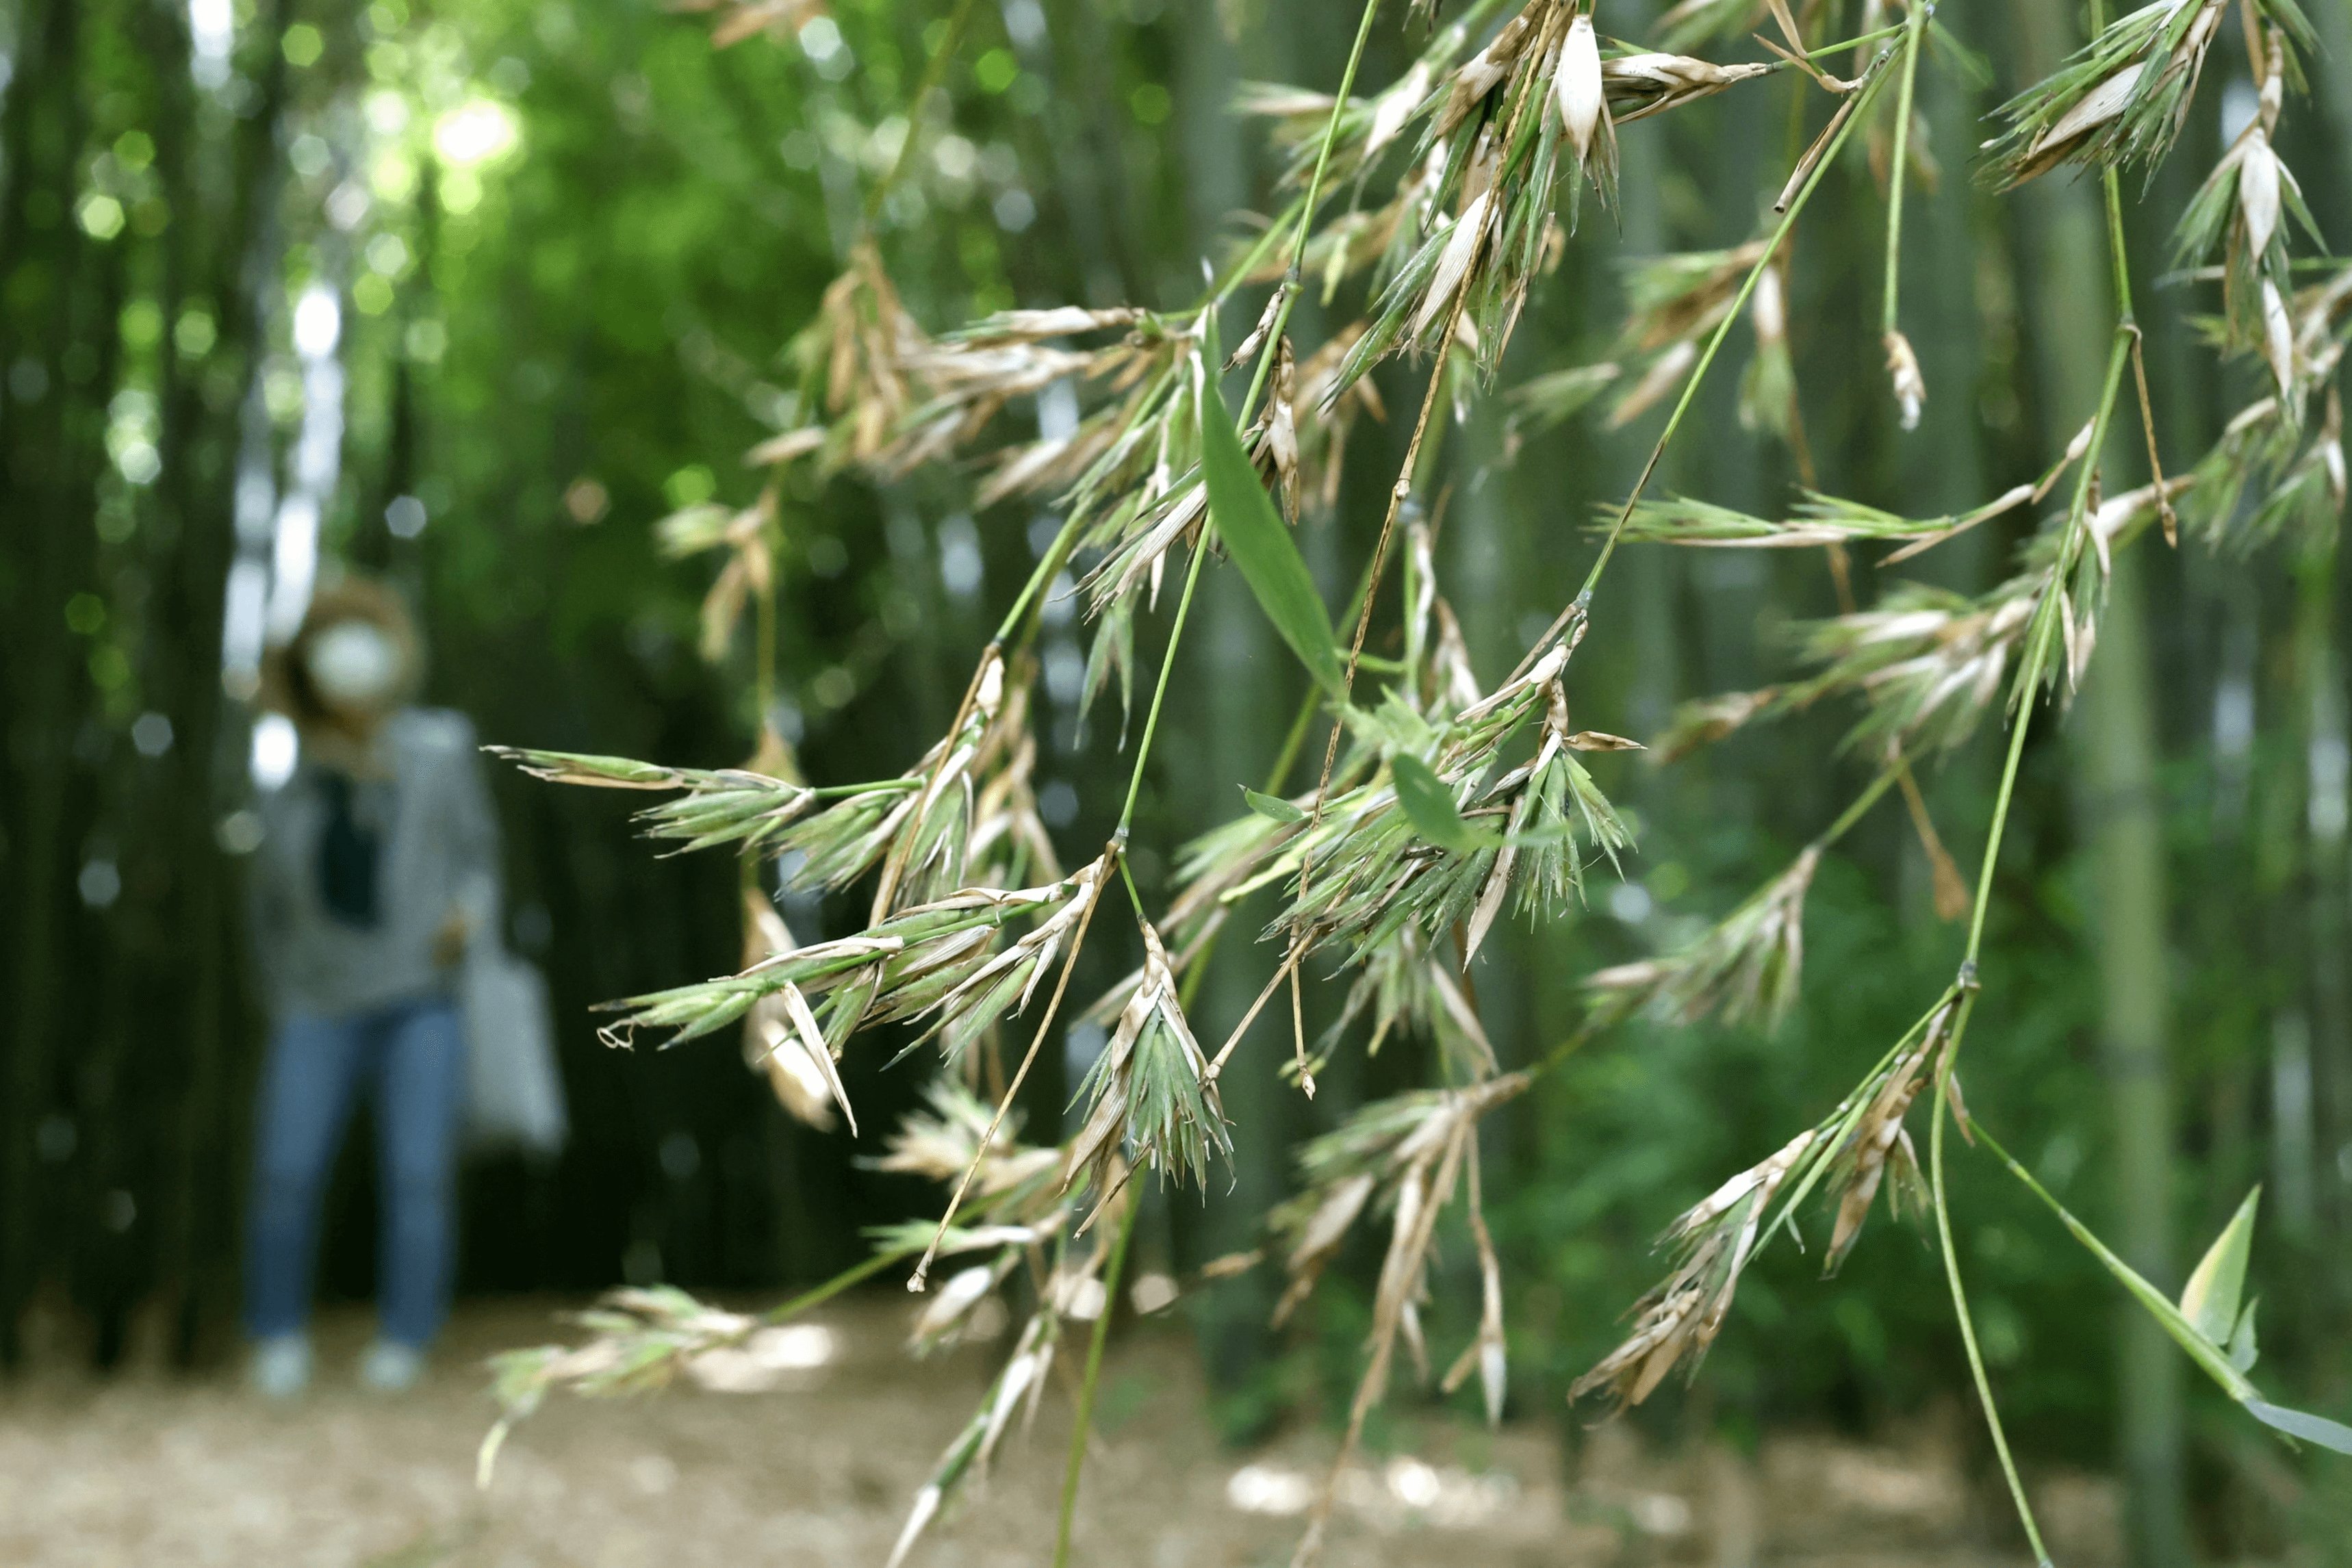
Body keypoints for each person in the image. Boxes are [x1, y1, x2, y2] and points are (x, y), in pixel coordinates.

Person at [244, 578, 499, 1397]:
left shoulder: (439, 747)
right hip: (315, 1003)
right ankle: (276, 1336)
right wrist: (282, 993)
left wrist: (469, 914)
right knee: (285, 1171)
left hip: (421, 996)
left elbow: (480, 858)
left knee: (418, 1175)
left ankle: (406, 1338)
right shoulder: (285, 781)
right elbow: (267, 911)